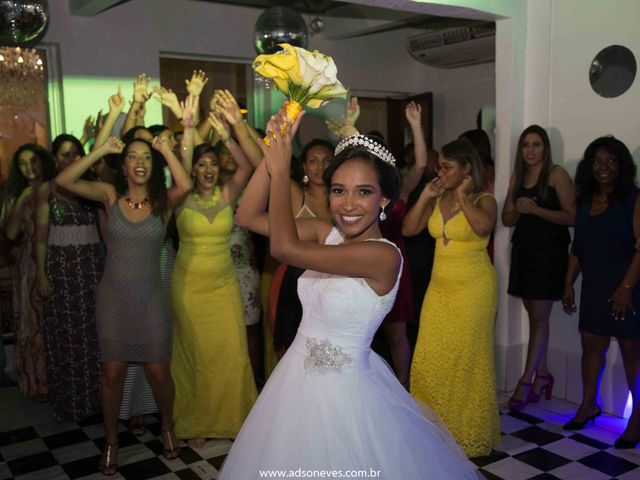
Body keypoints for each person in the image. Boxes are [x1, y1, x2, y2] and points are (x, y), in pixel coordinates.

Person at [220, 111, 477, 479]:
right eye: (339, 190)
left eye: (364, 192)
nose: (349, 204)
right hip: (293, 384)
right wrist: (270, 152)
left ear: (384, 200)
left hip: (344, 400)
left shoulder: (383, 256)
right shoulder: (326, 233)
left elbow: (284, 248)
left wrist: (280, 170)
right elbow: (246, 216)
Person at [55, 135, 191, 476]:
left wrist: (165, 150)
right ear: (125, 165)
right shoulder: (109, 195)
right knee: (112, 373)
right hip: (113, 299)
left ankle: (167, 427)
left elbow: (185, 183)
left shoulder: (164, 202)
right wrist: (102, 150)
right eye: (132, 156)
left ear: (153, 164)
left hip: (150, 300)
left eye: (146, 156)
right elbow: (63, 180)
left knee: (158, 372)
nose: (140, 161)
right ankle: (112, 441)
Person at [403, 139, 499, 457]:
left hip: (474, 290)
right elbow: (409, 229)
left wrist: (461, 196)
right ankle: (433, 428)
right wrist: (427, 196)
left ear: (467, 168)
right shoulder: (436, 196)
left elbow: (483, 228)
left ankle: (467, 433)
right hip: (439, 289)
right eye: (439, 166)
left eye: (447, 167)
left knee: (466, 361)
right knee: (430, 357)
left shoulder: (484, 199)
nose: (440, 172)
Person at [171, 103, 257, 448]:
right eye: (200, 164)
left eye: (212, 164)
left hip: (223, 286)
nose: (207, 170)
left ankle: (234, 419)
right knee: (196, 354)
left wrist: (228, 134)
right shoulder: (179, 198)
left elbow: (249, 165)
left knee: (230, 350)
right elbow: (183, 152)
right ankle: (198, 422)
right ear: (191, 169)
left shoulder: (226, 194)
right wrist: (190, 127)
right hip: (189, 288)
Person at [563, 136, 640, 448]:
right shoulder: (584, 200)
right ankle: (588, 405)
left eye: (610, 161)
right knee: (591, 344)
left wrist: (625, 288)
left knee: (632, 350)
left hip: (628, 285)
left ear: (621, 165)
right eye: (597, 161)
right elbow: (578, 247)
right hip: (594, 283)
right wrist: (568, 282)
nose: (603, 167)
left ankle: (636, 420)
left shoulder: (634, 198)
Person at [502, 125, 575, 411]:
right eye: (526, 145)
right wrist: (518, 209)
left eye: (536, 144)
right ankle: (543, 375)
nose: (530, 150)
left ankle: (526, 382)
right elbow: (507, 218)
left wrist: (536, 210)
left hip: (549, 255)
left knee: (539, 319)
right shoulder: (518, 176)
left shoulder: (556, 175)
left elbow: (573, 218)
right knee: (534, 317)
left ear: (545, 147)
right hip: (524, 252)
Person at [35, 134, 103, 422]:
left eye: (75, 153)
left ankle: (97, 403)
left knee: (92, 336)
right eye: (64, 154)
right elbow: (40, 237)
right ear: (54, 158)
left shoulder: (89, 188)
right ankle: (70, 405)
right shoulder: (47, 190)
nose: (70, 158)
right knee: (66, 336)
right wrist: (41, 272)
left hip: (90, 269)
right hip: (61, 271)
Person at [3, 144, 56, 401]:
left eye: (33, 161)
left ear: (43, 161)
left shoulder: (56, 188)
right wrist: (23, 199)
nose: (29, 167)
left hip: (56, 260)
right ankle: (39, 383)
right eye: (23, 163)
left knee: (53, 323)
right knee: (32, 324)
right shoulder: (17, 195)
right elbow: (11, 234)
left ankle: (60, 379)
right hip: (29, 265)